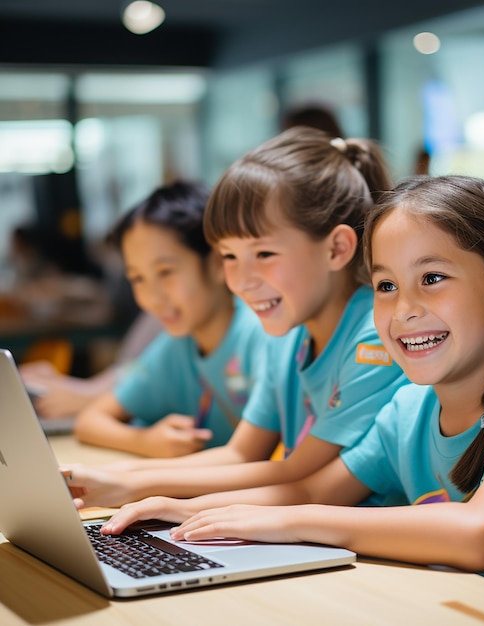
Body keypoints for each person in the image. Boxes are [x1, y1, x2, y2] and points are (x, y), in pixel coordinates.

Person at [101, 175, 484, 624]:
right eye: (386, 285)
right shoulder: (408, 411)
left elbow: (481, 533)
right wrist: (185, 512)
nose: (405, 310)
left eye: (433, 278)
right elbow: (312, 488)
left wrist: (289, 522)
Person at [63, 127, 408, 507]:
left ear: (337, 248)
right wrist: (112, 478)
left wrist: (142, 489)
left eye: (263, 254)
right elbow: (241, 454)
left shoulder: (374, 335)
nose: (241, 281)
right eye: (229, 256)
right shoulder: (289, 333)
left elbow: (297, 471)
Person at [71, 180, 267, 458]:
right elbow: (89, 421)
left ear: (217, 263)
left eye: (165, 272)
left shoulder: (258, 333)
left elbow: (253, 458)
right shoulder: (176, 347)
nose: (153, 297)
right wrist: (145, 441)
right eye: (137, 278)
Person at [19, 311, 162, 419]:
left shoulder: (170, 326)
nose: (150, 297)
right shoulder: (155, 316)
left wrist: (89, 398)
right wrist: (78, 387)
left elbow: (144, 376)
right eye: (137, 278)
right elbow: (133, 368)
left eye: (165, 272)